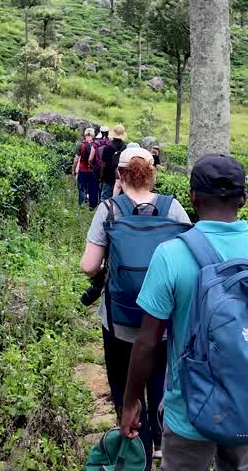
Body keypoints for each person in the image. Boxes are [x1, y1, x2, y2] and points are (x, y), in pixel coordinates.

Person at [120, 154, 248, 471]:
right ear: (243, 198)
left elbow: (147, 341)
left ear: (193, 197)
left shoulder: (172, 254)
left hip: (189, 411)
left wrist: (132, 402)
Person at [80, 146, 190, 466]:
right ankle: (158, 440)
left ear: (119, 174)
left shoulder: (110, 209)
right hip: (162, 322)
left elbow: (88, 266)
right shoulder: (173, 209)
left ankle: (134, 443)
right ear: (153, 174)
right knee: (158, 377)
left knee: (122, 381)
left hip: (119, 322)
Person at [98, 124, 128, 201]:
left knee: (105, 198)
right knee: (118, 199)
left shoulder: (107, 147)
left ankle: (105, 212)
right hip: (120, 177)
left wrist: (102, 176)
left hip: (108, 177)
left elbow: (103, 164)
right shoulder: (125, 147)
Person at [73, 128, 100, 209]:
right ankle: (92, 205)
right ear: (93, 135)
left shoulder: (80, 145)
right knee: (93, 188)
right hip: (93, 171)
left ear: (85, 135)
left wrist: (74, 170)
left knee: (81, 187)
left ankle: (81, 204)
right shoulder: (96, 145)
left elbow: (76, 160)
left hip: (82, 170)